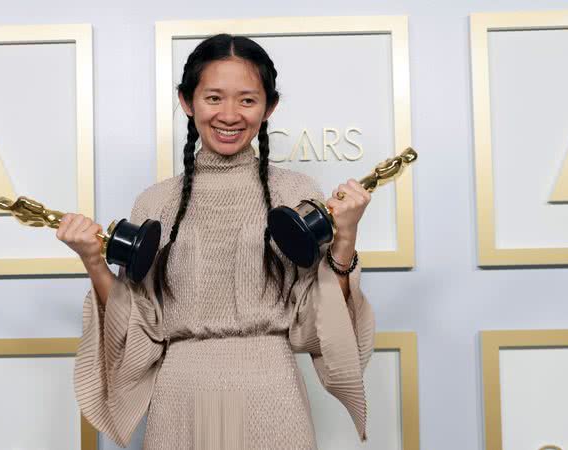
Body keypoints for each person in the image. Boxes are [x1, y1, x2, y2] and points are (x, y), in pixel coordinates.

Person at [57, 34, 375, 450]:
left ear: (269, 107)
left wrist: (346, 236)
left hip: (272, 394)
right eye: (213, 98)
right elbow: (135, 322)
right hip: (180, 397)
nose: (229, 115)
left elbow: (324, 321)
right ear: (187, 102)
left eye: (247, 100)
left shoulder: (297, 194)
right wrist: (93, 261)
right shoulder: (154, 202)